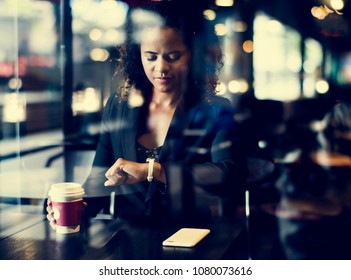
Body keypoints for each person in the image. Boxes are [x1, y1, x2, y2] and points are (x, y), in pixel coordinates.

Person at [47, 1, 246, 228]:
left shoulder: (216, 109)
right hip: (130, 240)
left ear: (193, 55)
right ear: (137, 55)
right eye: (151, 57)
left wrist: (153, 171)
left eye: (173, 57)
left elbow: (231, 173)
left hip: (192, 236)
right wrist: (77, 206)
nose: (160, 68)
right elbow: (101, 179)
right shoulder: (118, 105)